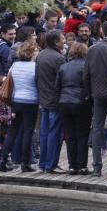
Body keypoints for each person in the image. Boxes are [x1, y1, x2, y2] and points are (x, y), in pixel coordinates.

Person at [84, 20, 107, 176]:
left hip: (97, 93)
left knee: (97, 128)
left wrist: (89, 92)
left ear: (101, 32)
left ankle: (96, 166)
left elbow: (86, 74)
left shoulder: (92, 50)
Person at [3, 40, 39, 172]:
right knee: (28, 132)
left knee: (13, 130)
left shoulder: (14, 65)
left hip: (16, 100)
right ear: (31, 53)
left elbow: (10, 81)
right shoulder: (35, 66)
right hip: (31, 101)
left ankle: (3, 159)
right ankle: (25, 163)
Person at [56, 41, 91, 174]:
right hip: (81, 102)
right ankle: (82, 166)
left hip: (64, 102)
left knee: (70, 136)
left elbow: (57, 87)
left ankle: (72, 166)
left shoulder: (63, 66)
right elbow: (88, 85)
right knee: (82, 135)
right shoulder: (86, 66)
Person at [36, 30, 66, 173]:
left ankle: (43, 163)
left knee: (44, 132)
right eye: (62, 39)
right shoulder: (58, 58)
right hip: (55, 101)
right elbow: (63, 80)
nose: (64, 41)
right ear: (55, 42)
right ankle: (51, 164)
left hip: (44, 99)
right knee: (55, 133)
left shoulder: (41, 55)